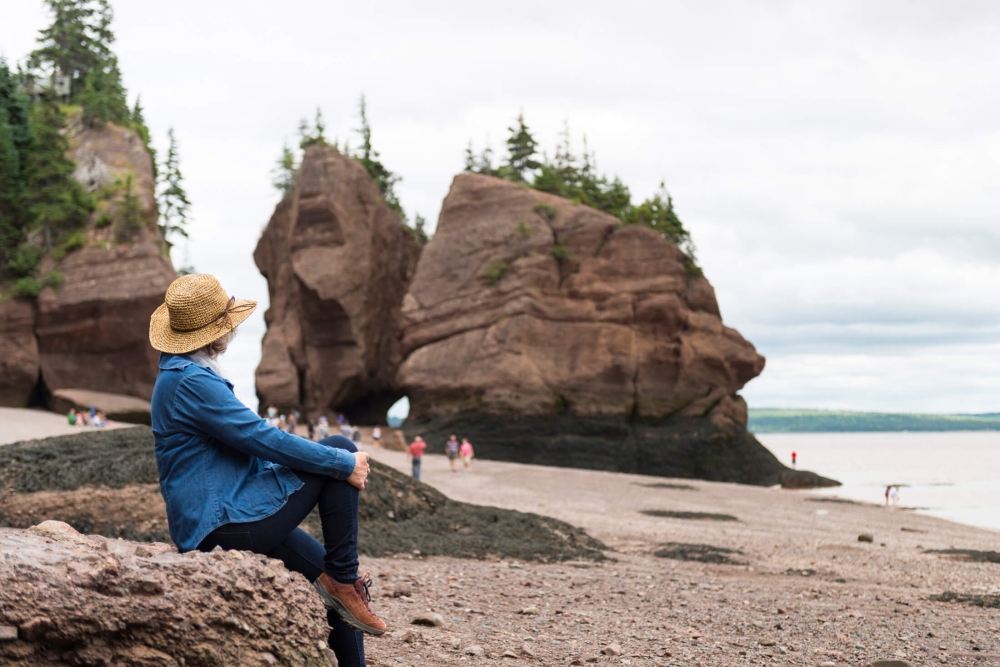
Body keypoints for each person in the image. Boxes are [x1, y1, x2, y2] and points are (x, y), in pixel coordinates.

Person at [148, 274, 385, 666]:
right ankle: (346, 579)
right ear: (217, 332)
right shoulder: (191, 381)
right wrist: (342, 463)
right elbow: (262, 438)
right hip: (220, 524)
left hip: (230, 512)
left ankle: (343, 585)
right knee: (340, 447)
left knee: (328, 582)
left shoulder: (189, 373)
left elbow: (250, 448)